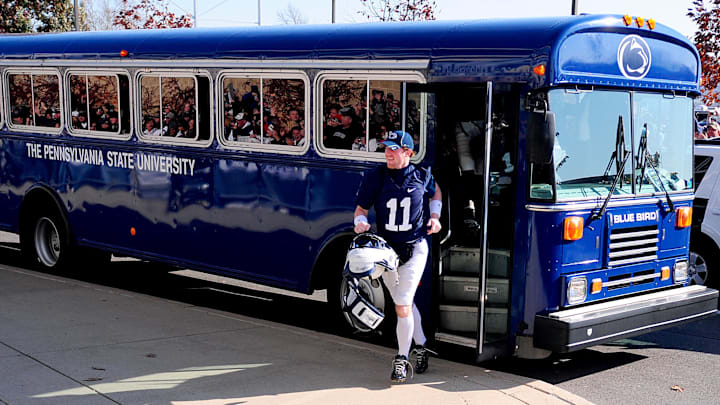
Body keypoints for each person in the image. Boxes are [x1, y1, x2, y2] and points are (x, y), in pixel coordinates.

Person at [353, 130, 442, 383]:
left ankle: (402, 360)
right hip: (386, 250)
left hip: (414, 247)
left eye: (394, 149)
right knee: (405, 304)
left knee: (402, 304)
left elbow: (437, 193)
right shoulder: (376, 176)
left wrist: (435, 217)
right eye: (387, 148)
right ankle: (422, 345)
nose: (388, 153)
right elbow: (360, 209)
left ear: (408, 153)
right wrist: (360, 222)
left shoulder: (421, 175)